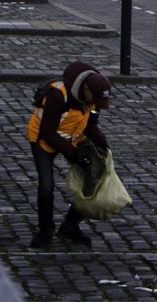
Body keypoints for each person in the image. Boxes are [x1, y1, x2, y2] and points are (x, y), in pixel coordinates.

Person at [26, 61, 112, 248]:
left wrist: (101, 143)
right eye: (95, 99)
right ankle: (45, 230)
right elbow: (48, 133)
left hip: (74, 135)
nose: (95, 105)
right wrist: (74, 154)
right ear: (86, 89)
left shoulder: (93, 100)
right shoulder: (58, 94)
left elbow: (91, 125)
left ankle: (70, 226)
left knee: (93, 176)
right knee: (47, 186)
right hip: (42, 139)